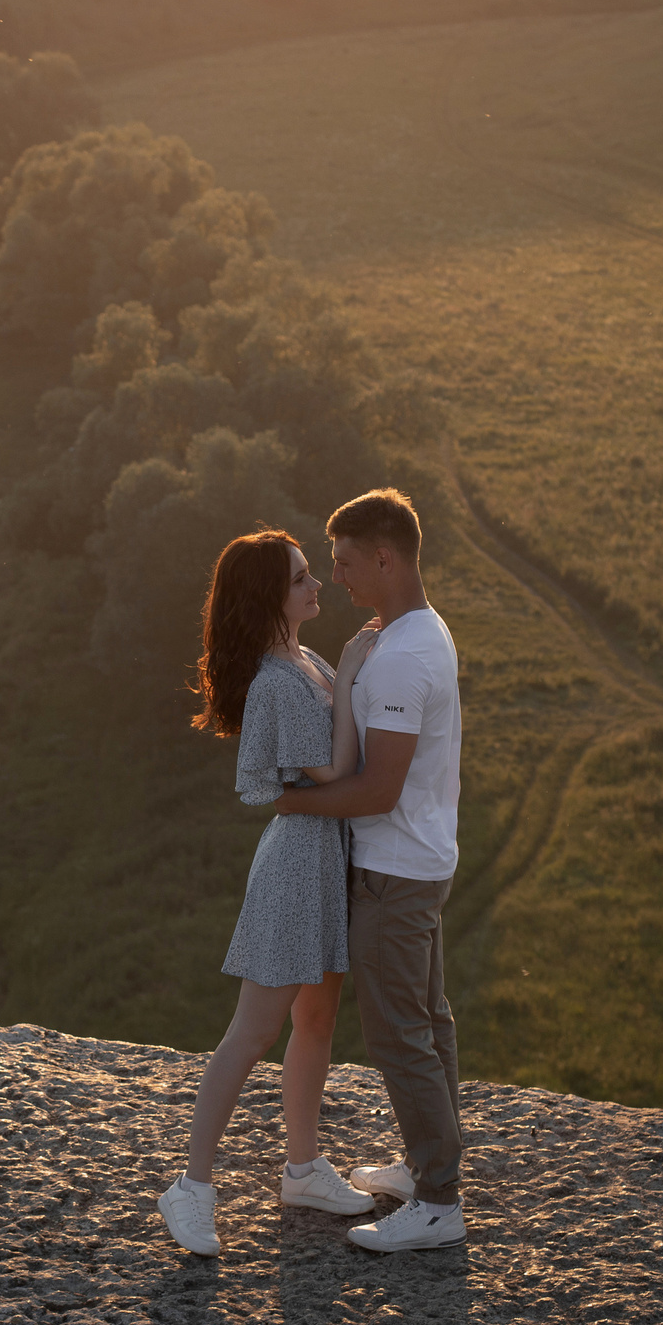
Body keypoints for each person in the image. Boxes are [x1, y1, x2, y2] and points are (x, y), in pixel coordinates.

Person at [156, 529, 384, 1257]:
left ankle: (303, 1167)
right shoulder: (284, 679)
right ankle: (191, 1187)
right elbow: (337, 768)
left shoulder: (304, 660)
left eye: (312, 573)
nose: (316, 584)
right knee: (252, 1031)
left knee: (316, 1020)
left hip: (328, 856)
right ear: (269, 598)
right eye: (300, 578)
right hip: (295, 866)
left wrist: (339, 671)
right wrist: (351, 674)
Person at [274, 487, 467, 1253]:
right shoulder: (417, 631)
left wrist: (292, 802)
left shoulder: (404, 655)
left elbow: (378, 787)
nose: (341, 580)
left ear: (385, 557)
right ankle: (429, 1168)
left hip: (392, 870)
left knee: (399, 1037)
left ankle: (439, 1201)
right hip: (419, 859)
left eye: (348, 564)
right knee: (430, 1020)